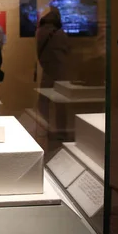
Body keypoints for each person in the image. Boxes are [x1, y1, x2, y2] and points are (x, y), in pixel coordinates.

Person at [36, 7, 70, 137]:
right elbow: (67, 49)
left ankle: (44, 128)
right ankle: (62, 131)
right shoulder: (60, 33)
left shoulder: (40, 32)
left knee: (43, 101)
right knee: (60, 103)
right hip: (60, 70)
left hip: (47, 70)